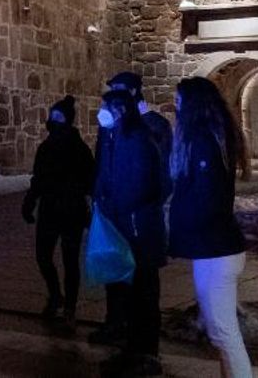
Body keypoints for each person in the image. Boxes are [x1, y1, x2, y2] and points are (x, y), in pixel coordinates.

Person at [170, 77, 254, 378]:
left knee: (225, 335)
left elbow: (205, 199)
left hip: (215, 250)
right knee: (222, 333)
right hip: (216, 247)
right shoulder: (214, 138)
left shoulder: (204, 142)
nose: (176, 106)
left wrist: (178, 235)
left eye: (180, 100)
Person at [91, 71, 172, 347]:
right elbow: (103, 165)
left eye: (119, 90)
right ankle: (117, 326)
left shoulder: (151, 129)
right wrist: (100, 198)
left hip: (137, 222)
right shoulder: (111, 131)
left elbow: (159, 179)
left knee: (143, 287)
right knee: (116, 277)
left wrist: (138, 211)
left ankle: (142, 348)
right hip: (115, 219)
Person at [22, 95, 95, 326]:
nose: (53, 121)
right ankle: (55, 295)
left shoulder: (79, 149)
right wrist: (30, 201)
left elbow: (89, 179)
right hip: (49, 210)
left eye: (58, 117)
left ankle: (70, 308)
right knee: (43, 257)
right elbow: (39, 178)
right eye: (52, 116)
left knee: (70, 260)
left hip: (71, 210)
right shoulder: (46, 147)